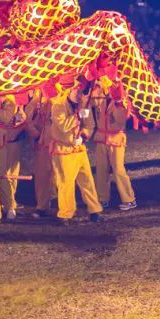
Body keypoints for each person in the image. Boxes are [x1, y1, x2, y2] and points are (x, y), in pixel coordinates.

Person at [43, 81, 104, 223]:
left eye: (80, 90)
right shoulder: (58, 105)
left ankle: (94, 210)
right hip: (63, 150)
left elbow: (90, 125)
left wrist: (83, 137)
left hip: (79, 149)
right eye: (76, 91)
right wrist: (78, 116)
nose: (79, 94)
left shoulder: (84, 104)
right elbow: (63, 125)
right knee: (66, 183)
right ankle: (65, 213)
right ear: (69, 91)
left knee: (87, 181)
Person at [89, 77, 137, 210]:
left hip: (116, 138)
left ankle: (129, 199)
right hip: (101, 138)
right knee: (101, 170)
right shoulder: (100, 96)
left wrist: (117, 103)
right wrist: (97, 89)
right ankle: (102, 198)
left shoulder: (122, 100)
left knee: (118, 170)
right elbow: (91, 103)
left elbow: (121, 119)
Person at [0, 95, 26, 221]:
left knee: (2, 174)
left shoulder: (9, 100)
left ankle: (9, 206)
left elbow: (5, 118)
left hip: (1, 143)